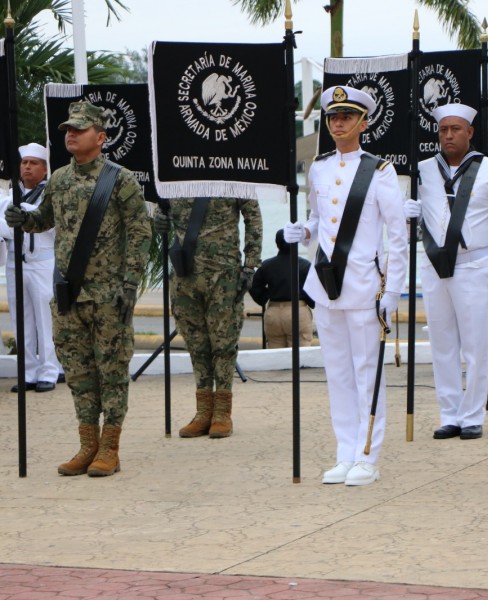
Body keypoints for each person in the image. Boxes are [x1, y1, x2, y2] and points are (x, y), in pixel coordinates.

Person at [4, 101, 151, 477]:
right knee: (80, 373)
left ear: (100, 138)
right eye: (69, 128)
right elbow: (45, 221)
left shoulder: (120, 180)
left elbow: (139, 232)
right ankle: (87, 445)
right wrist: (24, 219)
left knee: (112, 371)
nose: (70, 133)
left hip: (108, 296)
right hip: (69, 295)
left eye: (80, 129)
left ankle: (110, 448)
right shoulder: (60, 180)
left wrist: (130, 283)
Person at [283, 85, 407, 486]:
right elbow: (318, 221)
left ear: (363, 122)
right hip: (325, 284)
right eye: (333, 118)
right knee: (336, 372)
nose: (338, 123)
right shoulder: (318, 167)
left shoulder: (380, 171)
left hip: (363, 286)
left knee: (366, 371)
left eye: (347, 117)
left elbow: (397, 236)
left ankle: (367, 455)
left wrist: (392, 291)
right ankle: (344, 452)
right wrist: (300, 231)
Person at [404, 103, 488, 441]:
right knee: (441, 343)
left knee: (476, 343)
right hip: (435, 264)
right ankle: (449, 413)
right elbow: (404, 219)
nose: (449, 135)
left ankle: (471, 415)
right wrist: (405, 212)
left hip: (475, 264)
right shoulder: (421, 170)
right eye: (443, 130)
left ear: (470, 132)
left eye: (456, 129)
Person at [153, 195, 262, 439]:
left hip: (223, 273)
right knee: (196, 344)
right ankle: (203, 411)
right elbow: (165, 211)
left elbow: (252, 214)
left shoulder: (229, 170)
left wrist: (250, 264)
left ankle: (222, 412)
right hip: (185, 274)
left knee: (223, 344)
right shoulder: (176, 175)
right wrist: (160, 220)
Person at [0, 143, 63, 393]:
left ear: (45, 168)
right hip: (16, 261)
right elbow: (4, 228)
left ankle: (50, 370)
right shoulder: (11, 194)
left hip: (43, 261)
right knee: (21, 319)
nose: (27, 167)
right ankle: (28, 371)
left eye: (33, 163)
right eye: (24, 162)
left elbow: (52, 224)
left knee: (45, 318)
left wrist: (23, 213)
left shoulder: (51, 194)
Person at [249, 228, 315, 348]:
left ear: (277, 243)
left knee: (276, 355)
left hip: (273, 313)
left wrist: (265, 296)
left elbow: (253, 286)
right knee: (300, 357)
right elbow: (314, 290)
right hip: (298, 310)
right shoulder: (305, 265)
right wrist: (309, 302)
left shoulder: (267, 265)